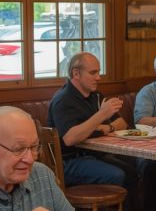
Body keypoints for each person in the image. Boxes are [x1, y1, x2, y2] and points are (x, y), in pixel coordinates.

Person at [47, 52, 137, 186]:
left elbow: (122, 123)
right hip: (68, 162)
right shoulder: (63, 100)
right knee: (119, 175)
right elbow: (70, 138)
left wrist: (108, 127)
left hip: (94, 154)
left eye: (98, 72)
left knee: (135, 164)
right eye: (93, 72)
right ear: (76, 74)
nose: (98, 77)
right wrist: (101, 115)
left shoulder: (95, 96)